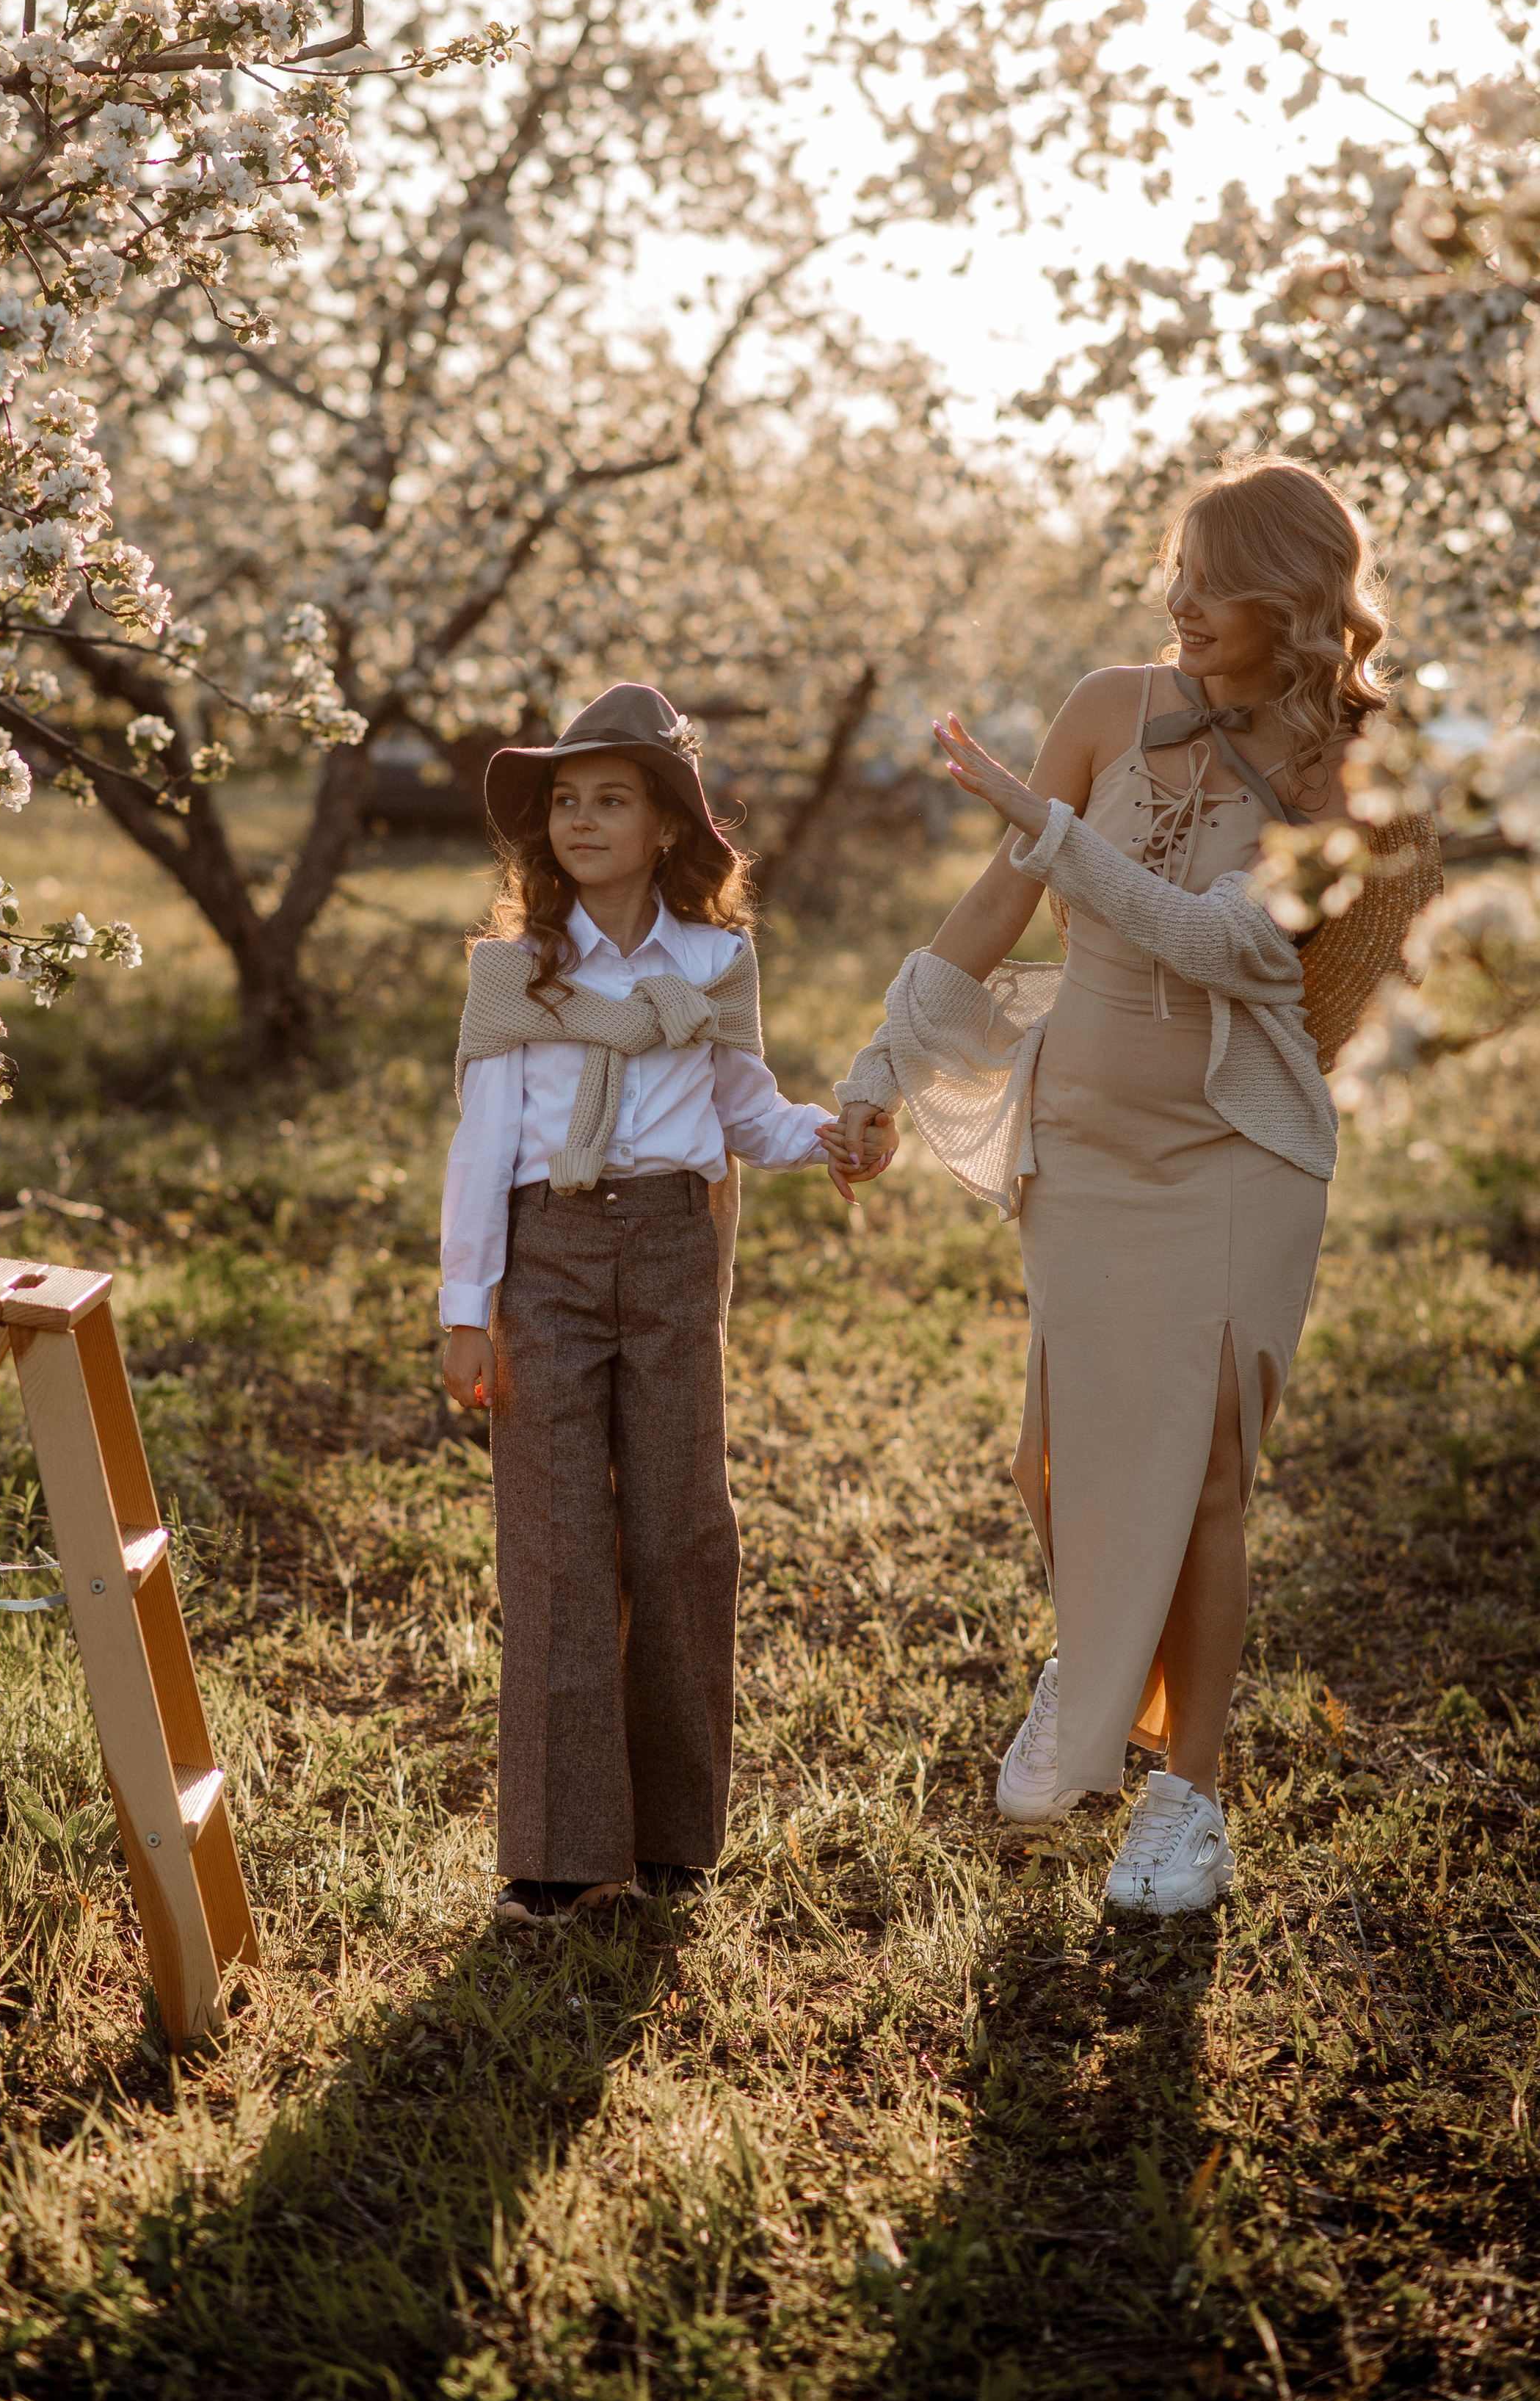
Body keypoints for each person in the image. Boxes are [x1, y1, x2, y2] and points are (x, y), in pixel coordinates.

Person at [825, 458, 1440, 1916]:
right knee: (1055, 1461)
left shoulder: (1342, 767)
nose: (1177, 601)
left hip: (1233, 1161)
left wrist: (1047, 833)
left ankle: (1186, 1795)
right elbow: (1001, 899)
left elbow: (1221, 946)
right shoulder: (1106, 705)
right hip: (1085, 1152)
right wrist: (876, 1066)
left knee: (1207, 1476)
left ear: (1291, 601)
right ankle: (1092, 1660)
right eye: (1172, 569)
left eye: (1210, 581)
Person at [440, 682, 885, 1931]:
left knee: (681, 1531)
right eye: (565, 802)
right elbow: (479, 1149)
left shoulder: (713, 963)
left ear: (668, 826)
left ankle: (677, 1833)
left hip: (675, 1255)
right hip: (550, 1258)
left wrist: (829, 1140)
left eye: (611, 799)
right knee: (556, 1537)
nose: (583, 820)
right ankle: (560, 1849)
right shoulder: (512, 974)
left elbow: (745, 1110)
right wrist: (465, 1304)